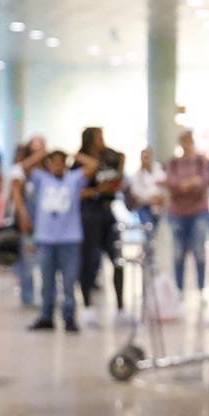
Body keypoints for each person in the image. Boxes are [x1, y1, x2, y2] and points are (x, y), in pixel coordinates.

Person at [23, 149, 99, 332]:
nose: (57, 165)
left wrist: (75, 154)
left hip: (69, 239)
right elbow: (24, 167)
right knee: (46, 281)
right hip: (46, 239)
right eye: (54, 162)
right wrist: (41, 154)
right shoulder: (42, 179)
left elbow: (93, 166)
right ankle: (46, 316)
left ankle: (69, 317)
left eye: (60, 162)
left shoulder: (73, 179)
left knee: (69, 282)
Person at [77, 127, 126, 328]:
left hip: (108, 212)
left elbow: (120, 162)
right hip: (90, 213)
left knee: (118, 259)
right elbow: (79, 190)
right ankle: (87, 306)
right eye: (99, 137)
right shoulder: (80, 160)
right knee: (88, 260)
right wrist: (97, 190)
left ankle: (121, 308)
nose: (102, 140)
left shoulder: (109, 157)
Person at [166, 130, 209, 303]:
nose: (186, 144)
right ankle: (178, 290)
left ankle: (201, 289)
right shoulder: (174, 163)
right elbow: (171, 183)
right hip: (177, 213)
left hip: (198, 212)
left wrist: (190, 184)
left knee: (199, 251)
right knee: (178, 253)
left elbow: (205, 181)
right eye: (183, 140)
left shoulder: (201, 161)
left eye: (188, 140)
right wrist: (189, 183)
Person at [8, 137, 47, 307]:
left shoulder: (46, 170)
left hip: (46, 221)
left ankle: (47, 295)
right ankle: (28, 296)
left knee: (44, 261)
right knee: (28, 260)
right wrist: (23, 217)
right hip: (29, 220)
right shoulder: (20, 170)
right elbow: (16, 195)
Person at [127, 148, 166, 244]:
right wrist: (150, 199)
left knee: (160, 234)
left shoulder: (158, 170)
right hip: (144, 207)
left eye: (148, 157)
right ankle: (150, 255)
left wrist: (158, 198)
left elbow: (164, 185)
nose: (146, 160)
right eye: (144, 157)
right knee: (149, 231)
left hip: (160, 207)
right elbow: (136, 193)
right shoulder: (137, 176)